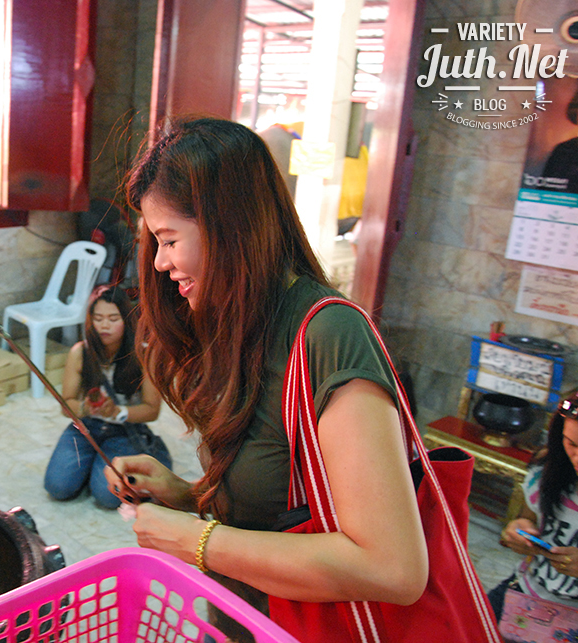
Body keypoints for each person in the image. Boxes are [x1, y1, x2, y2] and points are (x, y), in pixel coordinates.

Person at [105, 117, 428, 617]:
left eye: (169, 240)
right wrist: (189, 496)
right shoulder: (234, 322)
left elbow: (392, 568)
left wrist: (198, 539)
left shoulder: (329, 335)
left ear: (228, 224)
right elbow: (280, 510)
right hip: (245, 615)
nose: (160, 264)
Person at [44, 283, 170, 509]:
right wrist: (85, 408)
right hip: (85, 427)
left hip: (124, 430)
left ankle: (113, 462)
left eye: (113, 319)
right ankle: (89, 465)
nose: (104, 325)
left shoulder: (144, 354)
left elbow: (152, 410)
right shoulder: (80, 352)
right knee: (57, 487)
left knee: (107, 497)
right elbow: (66, 405)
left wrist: (117, 412)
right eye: (98, 318)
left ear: (127, 320)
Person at [487, 390, 578, 621]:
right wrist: (519, 531)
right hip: (528, 592)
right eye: (572, 444)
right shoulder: (550, 469)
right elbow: (527, 520)